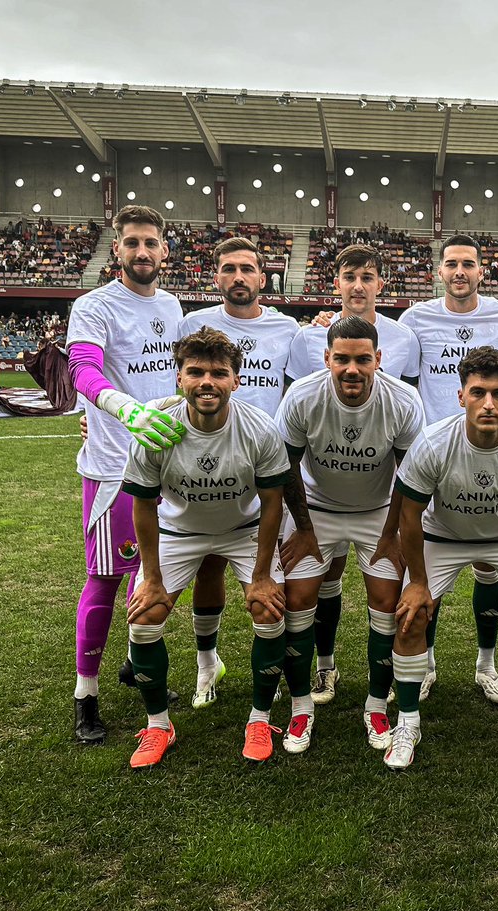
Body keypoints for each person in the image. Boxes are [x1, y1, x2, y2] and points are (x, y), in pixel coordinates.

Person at [389, 347, 498, 771]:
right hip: (444, 534)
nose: (488, 404)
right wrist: (417, 582)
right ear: (461, 396)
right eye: (478, 393)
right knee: (411, 615)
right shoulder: (434, 442)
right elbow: (409, 516)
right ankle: (407, 721)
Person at [121, 327, 289, 768]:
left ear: (237, 379)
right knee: (144, 619)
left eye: (219, 372)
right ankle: (159, 725)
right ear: (178, 378)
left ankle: (260, 717)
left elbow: (273, 504)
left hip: (244, 529)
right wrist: (152, 579)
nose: (206, 382)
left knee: (269, 611)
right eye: (195, 372)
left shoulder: (258, 428)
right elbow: (143, 506)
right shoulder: (157, 428)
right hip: (180, 532)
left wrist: (262, 575)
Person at [66, 205, 185, 745]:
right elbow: (83, 370)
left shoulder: (172, 305)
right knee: (107, 580)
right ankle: (84, 695)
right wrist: (122, 410)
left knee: (152, 579)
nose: (142, 252)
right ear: (117, 249)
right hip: (116, 469)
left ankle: (137, 664)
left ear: (165, 250)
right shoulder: (94, 306)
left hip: (167, 465)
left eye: (150, 243)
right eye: (132, 243)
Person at [277, 316, 424, 753]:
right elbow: (286, 468)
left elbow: (410, 478)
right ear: (326, 359)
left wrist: (392, 532)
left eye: (363, 359)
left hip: (378, 511)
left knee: (385, 601)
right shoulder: (303, 396)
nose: (352, 369)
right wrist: (304, 529)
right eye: (341, 359)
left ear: (379, 359)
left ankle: (377, 705)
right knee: (298, 598)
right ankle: (301, 707)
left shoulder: (403, 401)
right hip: (317, 509)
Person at [397, 234, 498, 703]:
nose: (459, 272)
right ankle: (426, 665)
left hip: (490, 454)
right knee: (430, 568)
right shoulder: (415, 318)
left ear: (481, 270)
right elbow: (408, 382)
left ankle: (486, 665)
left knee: (490, 566)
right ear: (439, 271)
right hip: (436, 457)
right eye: (451, 264)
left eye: (468, 264)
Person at [177, 236, 299, 710]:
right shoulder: (191, 323)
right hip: (202, 459)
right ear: (216, 277)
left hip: (264, 463)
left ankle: (283, 670)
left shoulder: (288, 327)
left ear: (262, 278)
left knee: (273, 576)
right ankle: (209, 665)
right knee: (208, 563)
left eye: (247, 269)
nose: (239, 277)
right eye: (229, 269)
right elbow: (164, 376)